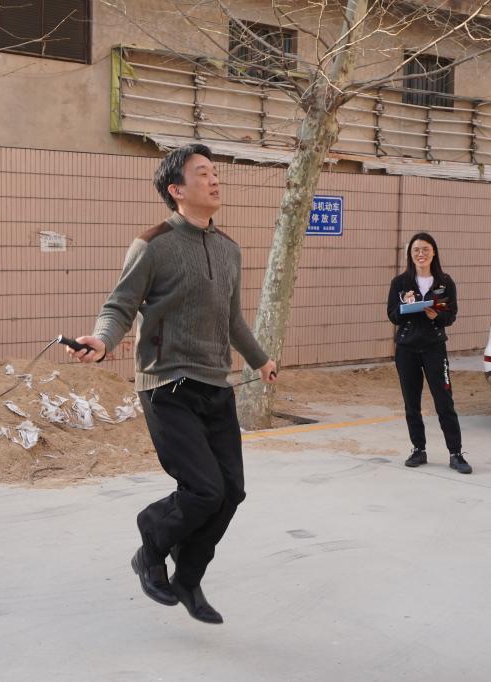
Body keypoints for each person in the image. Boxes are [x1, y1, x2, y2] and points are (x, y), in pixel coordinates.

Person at [69, 143, 278, 624]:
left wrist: (260, 360)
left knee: (230, 491)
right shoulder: (153, 244)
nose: (214, 179)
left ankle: (187, 577)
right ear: (176, 190)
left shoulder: (228, 249)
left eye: (215, 172)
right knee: (203, 489)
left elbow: (232, 319)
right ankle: (151, 539)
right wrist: (103, 341)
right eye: (202, 173)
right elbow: (120, 305)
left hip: (215, 384)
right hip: (167, 385)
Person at [387, 232, 472, 475]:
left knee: (444, 401)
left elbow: (451, 315)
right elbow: (392, 315)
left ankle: (455, 453)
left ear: (433, 252)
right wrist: (406, 306)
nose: (421, 254)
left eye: (425, 249)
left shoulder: (444, 282)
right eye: (416, 250)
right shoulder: (401, 283)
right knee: (411, 403)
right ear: (410, 254)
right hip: (407, 349)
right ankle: (418, 449)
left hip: (434, 348)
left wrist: (437, 315)